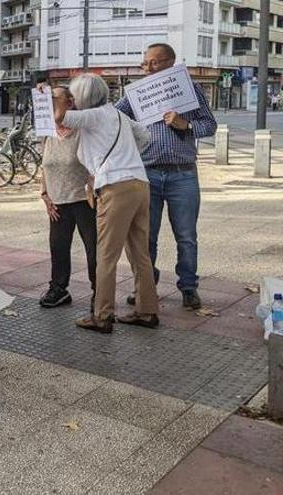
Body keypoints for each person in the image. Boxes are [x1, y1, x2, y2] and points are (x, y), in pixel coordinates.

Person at [55, 73, 159, 333]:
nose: (71, 100)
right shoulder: (118, 115)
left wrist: (53, 98)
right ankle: (147, 311)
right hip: (139, 183)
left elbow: (60, 118)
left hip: (116, 187)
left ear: (82, 96)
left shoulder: (94, 115)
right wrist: (127, 158)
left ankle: (102, 315)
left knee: (106, 254)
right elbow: (145, 136)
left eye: (73, 96)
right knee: (139, 253)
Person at [116, 43, 217, 310]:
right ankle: (146, 286)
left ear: (171, 62)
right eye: (145, 63)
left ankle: (188, 288)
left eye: (155, 63)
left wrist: (187, 125)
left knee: (186, 236)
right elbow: (110, 116)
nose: (148, 68)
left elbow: (210, 125)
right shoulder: (138, 93)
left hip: (182, 175)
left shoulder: (190, 89)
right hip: (147, 174)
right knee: (145, 236)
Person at [37, 86, 96, 310]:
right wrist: (45, 194)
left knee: (93, 248)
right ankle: (59, 288)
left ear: (70, 103)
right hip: (57, 200)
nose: (50, 102)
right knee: (58, 247)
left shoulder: (84, 131)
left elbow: (95, 164)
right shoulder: (49, 131)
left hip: (84, 200)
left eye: (54, 98)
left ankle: (98, 291)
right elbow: (45, 166)